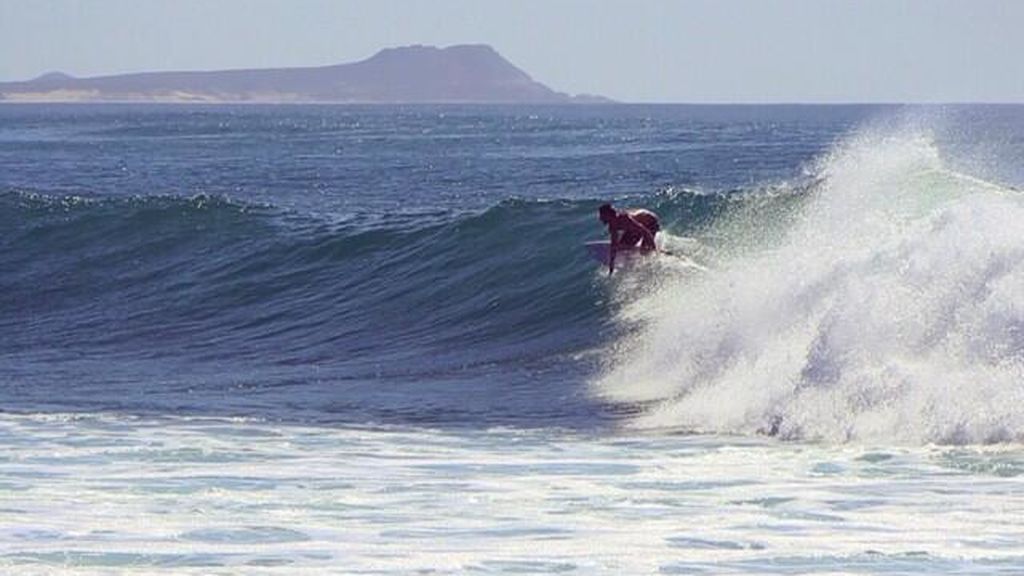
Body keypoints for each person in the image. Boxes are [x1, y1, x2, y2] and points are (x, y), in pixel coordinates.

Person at [598, 203, 660, 274]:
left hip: (651, 222)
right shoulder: (612, 226)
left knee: (644, 251)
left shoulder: (625, 219)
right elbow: (614, 246)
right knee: (622, 246)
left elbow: (645, 232)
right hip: (635, 227)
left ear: (608, 215)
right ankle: (633, 259)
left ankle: (650, 266)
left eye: (601, 215)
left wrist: (653, 247)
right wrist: (611, 266)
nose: (600, 218)